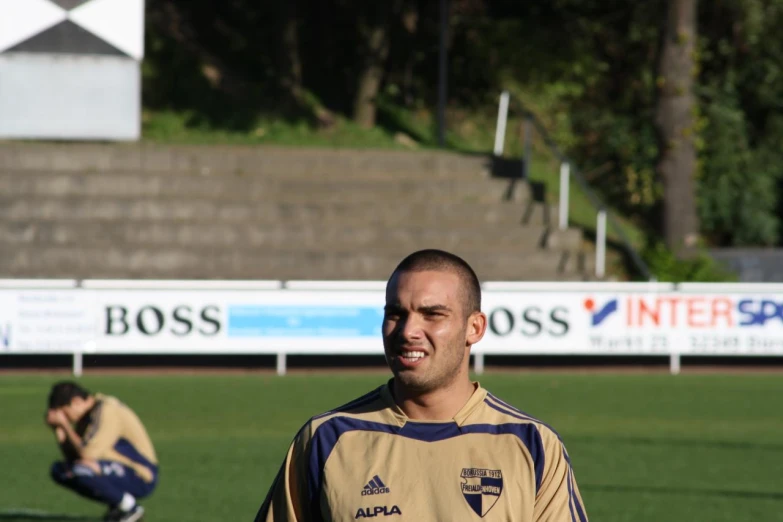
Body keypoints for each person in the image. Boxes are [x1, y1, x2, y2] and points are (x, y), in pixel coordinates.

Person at [253, 248, 588, 521]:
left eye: (432, 314)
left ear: (474, 328)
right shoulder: (327, 439)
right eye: (396, 314)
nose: (408, 330)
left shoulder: (531, 443)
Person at [45, 381, 159, 522]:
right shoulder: (87, 415)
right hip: (117, 467)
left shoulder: (106, 410)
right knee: (61, 470)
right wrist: (58, 429)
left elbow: (87, 454)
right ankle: (119, 505)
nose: (66, 418)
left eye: (65, 413)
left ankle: (130, 508)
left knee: (81, 470)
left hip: (141, 473)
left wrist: (65, 425)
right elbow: (73, 457)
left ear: (76, 402)